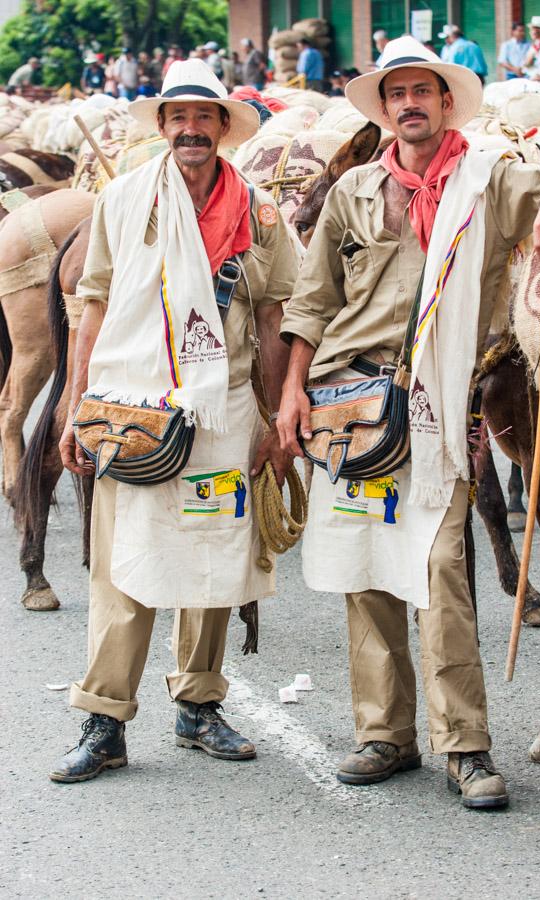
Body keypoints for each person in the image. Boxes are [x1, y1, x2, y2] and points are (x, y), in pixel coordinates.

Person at [276, 35, 540, 808]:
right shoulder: (352, 190)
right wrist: (290, 392)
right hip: (346, 405)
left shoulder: (489, 179)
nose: (409, 104)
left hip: (436, 402)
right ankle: (383, 734)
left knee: (440, 569)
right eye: (396, 95)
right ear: (383, 109)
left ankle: (466, 746)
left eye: (422, 91)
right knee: (364, 571)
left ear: (445, 102)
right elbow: (313, 304)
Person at [48, 58, 297, 784]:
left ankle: (198, 705)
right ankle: (104, 721)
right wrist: (74, 405)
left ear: (223, 126)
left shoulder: (259, 211)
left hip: (224, 412)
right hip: (132, 413)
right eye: (178, 116)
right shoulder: (123, 199)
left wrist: (275, 419)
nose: (191, 128)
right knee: (123, 563)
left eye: (204, 116)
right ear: (162, 126)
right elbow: (92, 306)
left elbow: (278, 314)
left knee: (214, 557)